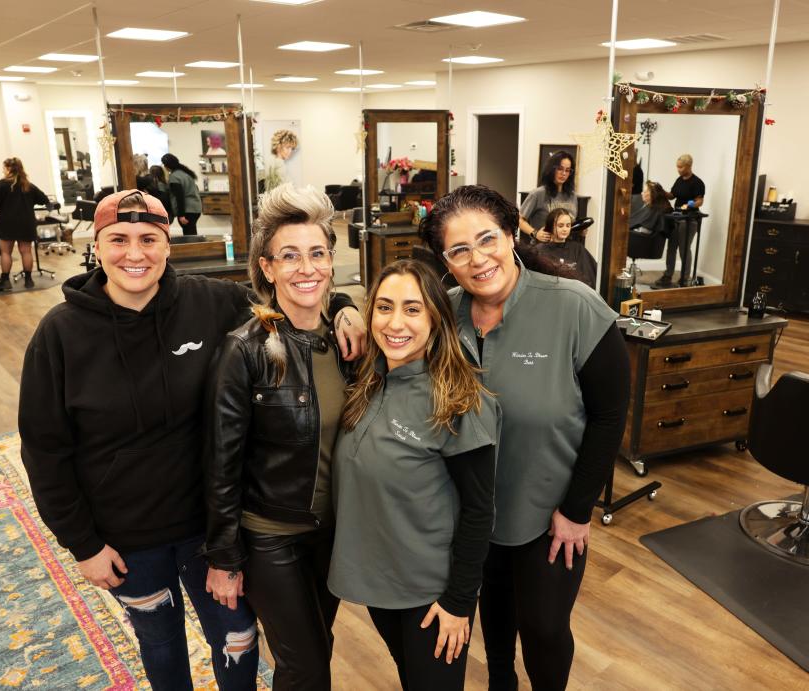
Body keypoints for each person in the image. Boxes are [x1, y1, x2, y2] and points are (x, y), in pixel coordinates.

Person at [19, 189, 365, 691]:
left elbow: (294, 292)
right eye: (119, 240)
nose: (134, 254)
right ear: (97, 245)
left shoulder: (210, 303)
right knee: (160, 644)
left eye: (149, 239)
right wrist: (82, 544)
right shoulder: (60, 334)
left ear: (167, 246)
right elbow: (44, 451)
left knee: (238, 639)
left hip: (207, 527)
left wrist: (346, 305)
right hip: (125, 536)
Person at [420, 185, 630, 691]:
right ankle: (500, 683)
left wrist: (578, 510)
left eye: (487, 239)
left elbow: (609, 416)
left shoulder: (576, 308)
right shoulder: (442, 315)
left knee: (543, 627)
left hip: (550, 516)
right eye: (459, 250)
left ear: (512, 234)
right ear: (446, 260)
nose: (478, 258)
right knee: (492, 616)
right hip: (471, 515)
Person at [203, 183, 352, 691]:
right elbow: (222, 462)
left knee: (318, 650)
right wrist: (224, 557)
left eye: (316, 254)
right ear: (267, 269)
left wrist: (349, 306)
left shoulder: (348, 339)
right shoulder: (245, 351)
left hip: (332, 533)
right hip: (271, 537)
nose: (306, 268)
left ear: (332, 260)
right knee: (306, 668)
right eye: (289, 256)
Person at [328, 259, 499, 691]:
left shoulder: (458, 400)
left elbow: (480, 510)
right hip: (382, 582)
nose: (395, 322)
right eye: (384, 307)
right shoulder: (369, 383)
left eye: (412, 309)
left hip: (430, 596)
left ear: (435, 319)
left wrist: (459, 602)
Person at [0, 157, 49, 291]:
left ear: (8, 169)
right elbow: (44, 199)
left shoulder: (2, 184)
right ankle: (29, 280)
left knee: (6, 252)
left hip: (7, 223)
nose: (3, 171)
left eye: (4, 168)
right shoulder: (28, 185)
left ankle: (5, 281)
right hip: (26, 223)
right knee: (26, 251)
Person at [654, 154, 706, 288]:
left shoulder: (697, 183)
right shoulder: (679, 180)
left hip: (689, 221)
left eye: (681, 167)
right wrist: (660, 190)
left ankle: (685, 278)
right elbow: (671, 196)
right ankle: (668, 275)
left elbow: (700, 201)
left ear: (689, 166)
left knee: (684, 249)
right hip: (676, 218)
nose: (678, 169)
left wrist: (690, 205)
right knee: (671, 248)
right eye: (677, 166)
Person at [519, 151, 578, 241]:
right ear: (552, 169)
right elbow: (518, 220)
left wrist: (580, 230)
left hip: (565, 247)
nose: (564, 173)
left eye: (567, 170)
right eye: (560, 169)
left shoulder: (572, 196)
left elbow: (570, 224)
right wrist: (535, 233)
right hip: (542, 249)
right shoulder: (538, 194)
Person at [533, 208, 598, 288]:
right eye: (560, 226)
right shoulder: (539, 250)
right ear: (550, 227)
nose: (565, 229)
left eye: (568, 225)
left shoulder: (577, 249)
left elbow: (589, 278)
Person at [162, 153, 202, 236]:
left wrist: (181, 215)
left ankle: (192, 248)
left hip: (187, 210)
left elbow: (179, 197)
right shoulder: (185, 173)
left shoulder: (174, 177)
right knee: (192, 233)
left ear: (166, 166)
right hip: (196, 208)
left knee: (189, 235)